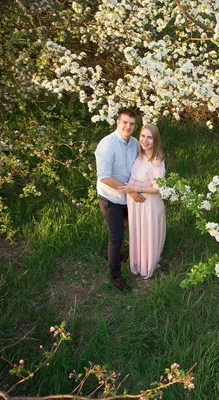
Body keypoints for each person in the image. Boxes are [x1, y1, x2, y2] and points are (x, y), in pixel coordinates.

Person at [95, 108, 145, 291]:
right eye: (125, 122)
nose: (128, 126)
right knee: (116, 236)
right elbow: (104, 177)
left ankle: (120, 254)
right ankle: (115, 275)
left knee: (129, 227)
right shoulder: (106, 145)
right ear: (117, 122)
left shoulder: (133, 143)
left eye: (132, 124)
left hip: (128, 198)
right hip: (111, 197)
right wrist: (130, 191)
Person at [119, 124, 166, 279]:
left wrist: (136, 189)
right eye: (143, 136)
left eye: (150, 137)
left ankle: (148, 265)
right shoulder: (139, 155)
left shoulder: (157, 161)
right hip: (135, 204)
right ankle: (138, 262)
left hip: (148, 203)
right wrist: (131, 190)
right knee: (137, 232)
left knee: (148, 233)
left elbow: (158, 188)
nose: (145, 141)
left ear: (156, 140)